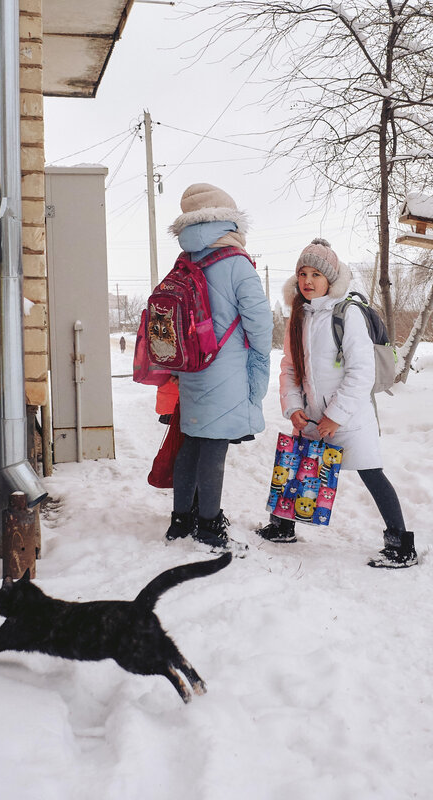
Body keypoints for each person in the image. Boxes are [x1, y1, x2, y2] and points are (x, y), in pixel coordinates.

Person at [256, 238, 416, 568]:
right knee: (297, 467)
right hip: (311, 414)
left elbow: (361, 372)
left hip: (350, 416)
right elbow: (289, 366)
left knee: (372, 474)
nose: (308, 281)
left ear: (331, 278)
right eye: (302, 274)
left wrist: (336, 416)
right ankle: (282, 526)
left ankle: (401, 545)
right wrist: (294, 407)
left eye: (316, 274)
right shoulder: (299, 316)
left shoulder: (348, 313)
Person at [163, 184, 272, 549]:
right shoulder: (236, 263)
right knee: (214, 447)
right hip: (227, 368)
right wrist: (258, 361)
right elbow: (259, 321)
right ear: (230, 221)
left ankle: (181, 520)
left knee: (192, 441)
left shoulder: (187, 260)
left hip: (192, 365)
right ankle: (209, 525)